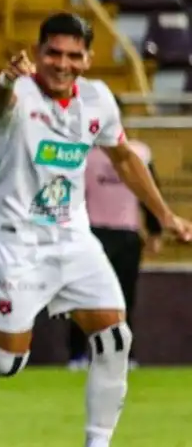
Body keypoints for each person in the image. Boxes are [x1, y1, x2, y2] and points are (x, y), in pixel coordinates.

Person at [0, 13, 192, 447]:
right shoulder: (19, 91)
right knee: (5, 360)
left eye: (73, 55)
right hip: (18, 242)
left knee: (114, 337)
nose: (62, 64)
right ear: (39, 51)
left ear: (87, 58)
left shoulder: (98, 100)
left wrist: (164, 215)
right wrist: (7, 78)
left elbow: (125, 158)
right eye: (53, 53)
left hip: (73, 238)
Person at [66, 138, 162, 369]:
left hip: (127, 233)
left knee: (124, 297)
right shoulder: (83, 156)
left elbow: (148, 191)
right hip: (92, 232)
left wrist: (155, 229)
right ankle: (78, 354)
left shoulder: (139, 153)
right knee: (84, 295)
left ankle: (123, 354)